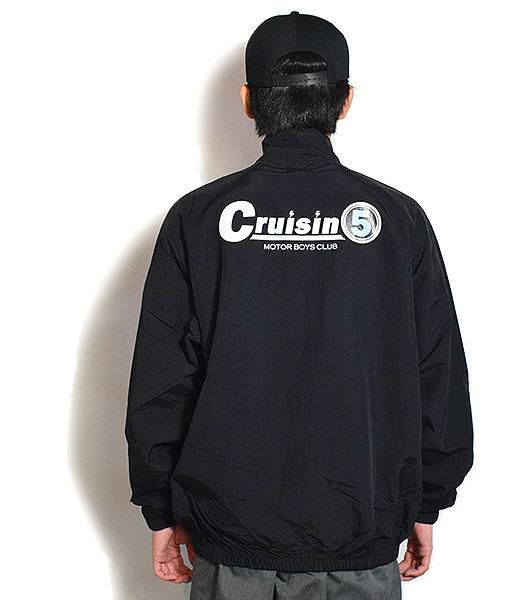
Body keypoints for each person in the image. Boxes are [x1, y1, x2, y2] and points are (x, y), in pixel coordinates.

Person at [125, 10, 474, 600]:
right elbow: (436, 375)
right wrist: (427, 502)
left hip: (231, 543)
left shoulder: (198, 219)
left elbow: (162, 381)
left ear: (248, 101)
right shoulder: (397, 221)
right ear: (345, 101)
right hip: (360, 537)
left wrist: (160, 510)